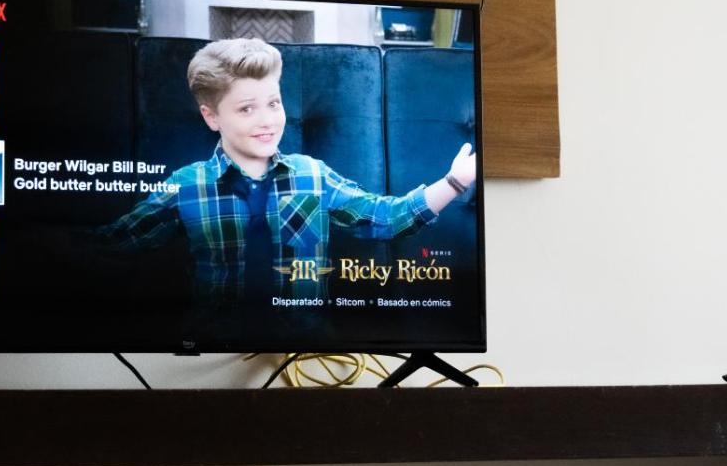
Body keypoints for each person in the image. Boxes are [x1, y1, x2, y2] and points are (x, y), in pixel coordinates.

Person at [100, 38, 476, 306]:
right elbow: (112, 244)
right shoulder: (186, 185)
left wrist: (455, 181)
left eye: (274, 103)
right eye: (247, 109)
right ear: (211, 117)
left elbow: (386, 218)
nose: (267, 121)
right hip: (214, 345)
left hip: (307, 345)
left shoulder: (313, 175)